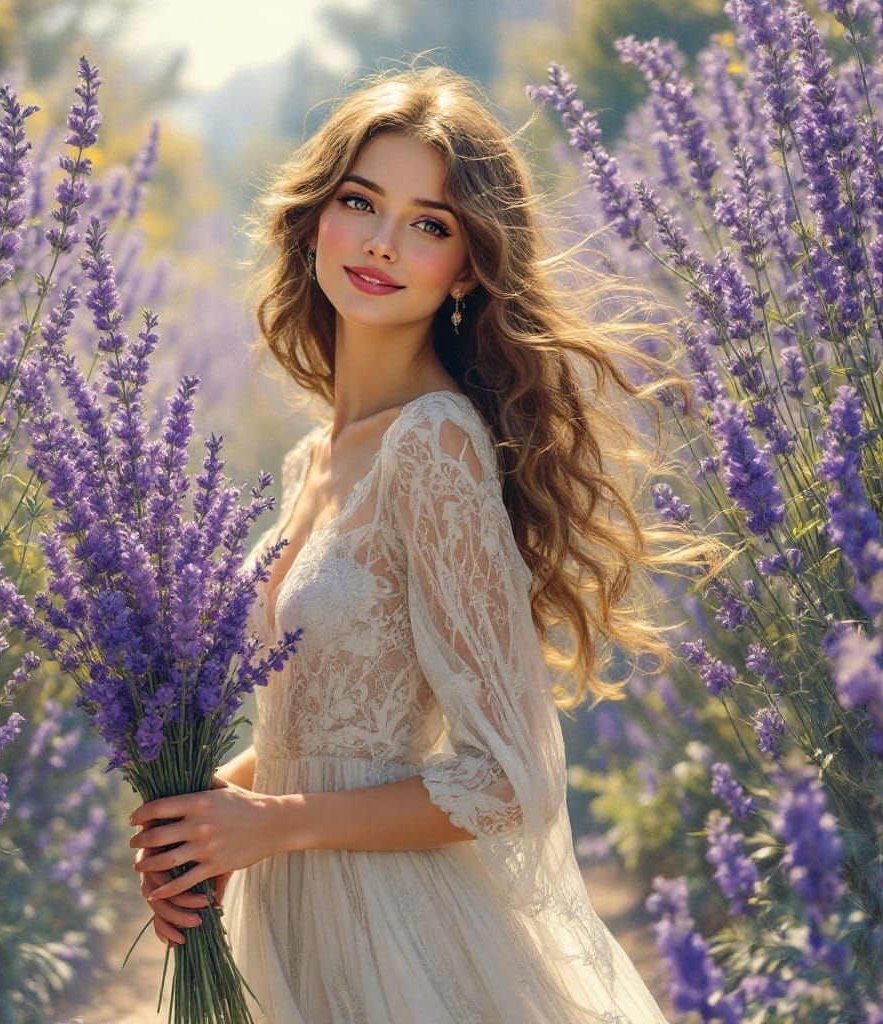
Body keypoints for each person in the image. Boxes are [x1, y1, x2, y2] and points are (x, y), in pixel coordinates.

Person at [128, 63, 722, 1023]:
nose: (381, 242)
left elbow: (507, 780)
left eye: (430, 223)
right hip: (285, 918)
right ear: (317, 215)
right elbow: (316, 730)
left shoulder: (433, 444)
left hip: (392, 939)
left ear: (471, 264)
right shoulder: (316, 456)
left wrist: (273, 824)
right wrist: (199, 820)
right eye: (360, 201)